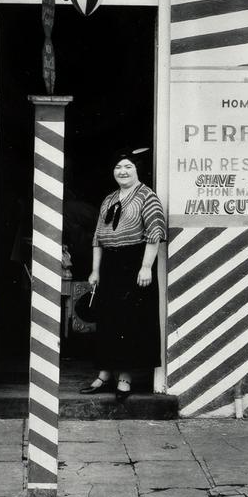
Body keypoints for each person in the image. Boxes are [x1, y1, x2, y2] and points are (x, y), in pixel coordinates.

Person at [80, 147, 166, 400]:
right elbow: (98, 237)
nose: (123, 171)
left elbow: (155, 233)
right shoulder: (109, 199)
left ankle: (125, 379)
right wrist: (95, 270)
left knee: (128, 321)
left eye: (128, 166)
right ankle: (103, 375)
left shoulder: (147, 196)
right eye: (118, 167)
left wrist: (146, 266)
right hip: (110, 265)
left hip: (135, 263)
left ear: (137, 169)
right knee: (107, 319)